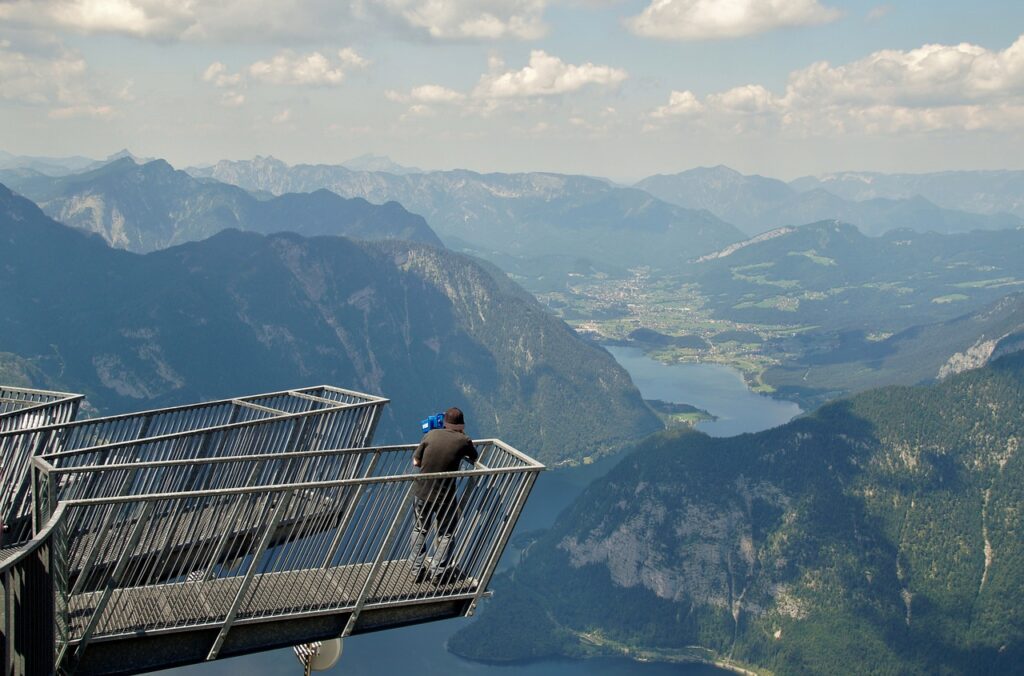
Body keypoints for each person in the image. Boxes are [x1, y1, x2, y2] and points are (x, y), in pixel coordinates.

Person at [409, 406, 478, 585]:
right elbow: (474, 457)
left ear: (444, 422)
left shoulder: (430, 435)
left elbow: (416, 461)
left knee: (419, 529)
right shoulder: (464, 440)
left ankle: (416, 570)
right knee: (446, 532)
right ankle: (438, 572)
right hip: (444, 497)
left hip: (421, 492)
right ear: (461, 425)